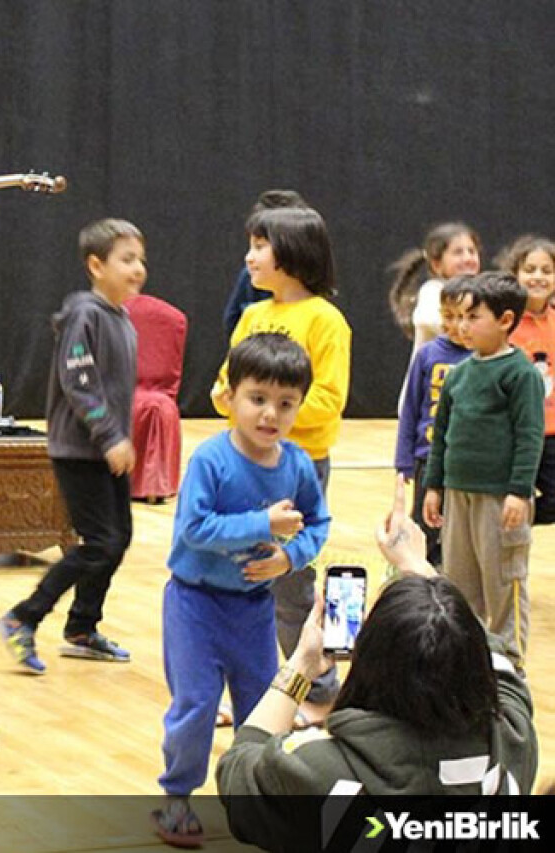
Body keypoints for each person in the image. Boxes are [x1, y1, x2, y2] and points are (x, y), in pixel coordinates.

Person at [216, 516, 538, 852]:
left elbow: (237, 770)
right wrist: (422, 574)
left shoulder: (319, 771)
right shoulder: (512, 741)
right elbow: (496, 658)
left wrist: (301, 666)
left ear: (371, 659)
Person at [151, 334, 329, 848]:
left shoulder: (296, 465)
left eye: (285, 403)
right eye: (257, 398)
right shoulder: (211, 460)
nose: (270, 413)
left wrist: (288, 556)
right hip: (194, 606)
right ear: (229, 397)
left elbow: (317, 525)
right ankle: (177, 798)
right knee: (197, 704)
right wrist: (262, 524)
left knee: (262, 707)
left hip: (254, 610)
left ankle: (257, 801)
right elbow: (194, 530)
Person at [211, 206, 350, 715]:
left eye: (259, 246)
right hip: (242, 468)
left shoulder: (325, 320)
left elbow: (328, 400)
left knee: (290, 583)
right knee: (236, 576)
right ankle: (248, 688)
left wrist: (266, 416)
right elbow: (226, 384)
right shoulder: (252, 316)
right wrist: (229, 402)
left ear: (293, 252)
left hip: (298, 468)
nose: (249, 257)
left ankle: (314, 682)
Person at [0, 219, 142, 674]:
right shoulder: (85, 314)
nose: (138, 269)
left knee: (117, 540)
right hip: (80, 451)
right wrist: (109, 435)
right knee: (99, 542)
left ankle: (81, 628)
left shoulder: (122, 320)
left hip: (105, 450)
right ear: (95, 266)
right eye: (127, 259)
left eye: (141, 260)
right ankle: (23, 617)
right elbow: (79, 382)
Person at [423, 272, 544, 666]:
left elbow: (530, 435)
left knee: (503, 581)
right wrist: (434, 485)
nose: (462, 326)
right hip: (459, 493)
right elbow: (441, 436)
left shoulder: (520, 373)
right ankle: (466, 661)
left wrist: (518, 490)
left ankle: (509, 663)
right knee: (460, 581)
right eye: (458, 317)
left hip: (499, 497)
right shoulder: (460, 374)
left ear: (506, 320)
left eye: (473, 317)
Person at [392, 275, 471, 566]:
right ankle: (414, 575)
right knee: (423, 524)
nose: (456, 325)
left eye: (465, 316)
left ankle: (447, 579)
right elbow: (411, 408)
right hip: (427, 457)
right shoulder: (428, 355)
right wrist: (404, 460)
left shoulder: (482, 356)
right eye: (448, 316)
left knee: (457, 529)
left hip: (465, 461)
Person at [498, 235, 555, 524]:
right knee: (504, 495)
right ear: (515, 274)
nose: (538, 277)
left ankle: (513, 519)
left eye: (546, 270)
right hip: (515, 432)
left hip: (551, 432)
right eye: (530, 269)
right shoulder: (505, 323)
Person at [220, 190, 309, 338]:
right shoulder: (251, 310)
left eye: (260, 246)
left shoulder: (322, 317)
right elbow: (232, 321)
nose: (249, 258)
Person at [387, 221, 482, 348]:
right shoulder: (432, 292)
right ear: (436, 264)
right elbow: (429, 321)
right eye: (458, 253)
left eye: (472, 251)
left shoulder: (480, 295)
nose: (468, 258)